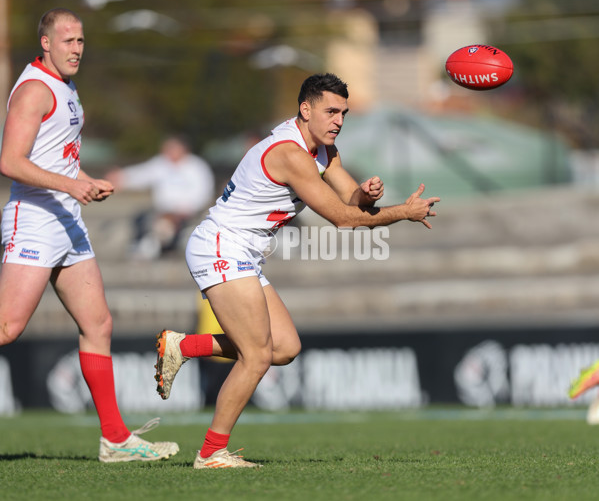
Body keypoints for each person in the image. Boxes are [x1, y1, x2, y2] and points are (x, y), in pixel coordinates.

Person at [154, 73, 440, 469]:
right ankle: (210, 453)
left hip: (244, 252)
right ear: (305, 110)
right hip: (221, 245)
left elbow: (350, 200)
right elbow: (343, 219)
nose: (338, 120)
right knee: (255, 357)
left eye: (343, 113)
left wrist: (367, 195)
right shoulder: (290, 153)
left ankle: (184, 346)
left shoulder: (325, 150)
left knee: (284, 348)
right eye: (330, 111)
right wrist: (403, 213)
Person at [0, 8, 179, 462]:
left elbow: (55, 157)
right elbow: (10, 162)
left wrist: (84, 179)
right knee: (7, 328)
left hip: (66, 219)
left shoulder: (66, 86)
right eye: (67, 41)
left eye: (81, 41)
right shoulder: (36, 90)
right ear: (45, 43)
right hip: (36, 218)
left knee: (98, 325)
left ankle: (115, 440)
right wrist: (72, 185)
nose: (77, 49)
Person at [105, 136, 215, 259]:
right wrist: (121, 178)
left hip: (188, 212)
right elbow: (142, 174)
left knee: (164, 225)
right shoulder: (161, 163)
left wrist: (183, 210)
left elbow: (203, 194)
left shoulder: (197, 167)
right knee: (141, 218)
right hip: (162, 211)